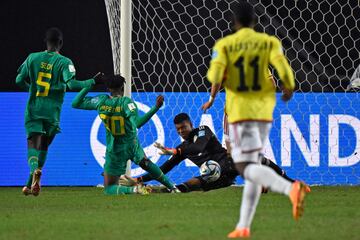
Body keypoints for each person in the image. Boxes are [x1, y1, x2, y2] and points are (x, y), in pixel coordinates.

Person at [202, 1, 306, 238]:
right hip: (261, 113)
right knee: (248, 164)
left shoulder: (226, 45)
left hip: (239, 112)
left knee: (244, 165)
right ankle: (243, 226)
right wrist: (287, 87)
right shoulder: (268, 43)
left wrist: (211, 98)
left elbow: (215, 76)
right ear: (255, 21)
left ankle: (291, 189)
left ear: (234, 22)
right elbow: (282, 72)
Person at [16, 27, 103, 196]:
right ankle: (29, 183)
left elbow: (19, 79)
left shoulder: (32, 58)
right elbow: (72, 85)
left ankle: (33, 175)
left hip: (34, 109)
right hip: (52, 112)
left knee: (33, 145)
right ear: (61, 43)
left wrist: (31, 90)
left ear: (45, 42)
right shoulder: (65, 62)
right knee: (43, 147)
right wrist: (93, 81)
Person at [128, 113, 295, 193]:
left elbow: (199, 147)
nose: (181, 131)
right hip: (215, 177)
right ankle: (152, 190)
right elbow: (163, 169)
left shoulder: (202, 131)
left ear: (191, 125)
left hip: (229, 164)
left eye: (184, 128)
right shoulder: (183, 148)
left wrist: (174, 150)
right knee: (186, 186)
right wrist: (139, 178)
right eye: (178, 130)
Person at [72, 74, 179, 195]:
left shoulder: (101, 101)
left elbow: (75, 103)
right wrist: (155, 108)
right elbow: (137, 123)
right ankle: (173, 187)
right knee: (145, 163)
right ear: (122, 87)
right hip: (131, 143)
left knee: (109, 188)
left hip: (114, 148)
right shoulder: (127, 103)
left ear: (108, 88)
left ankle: (133, 190)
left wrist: (91, 83)